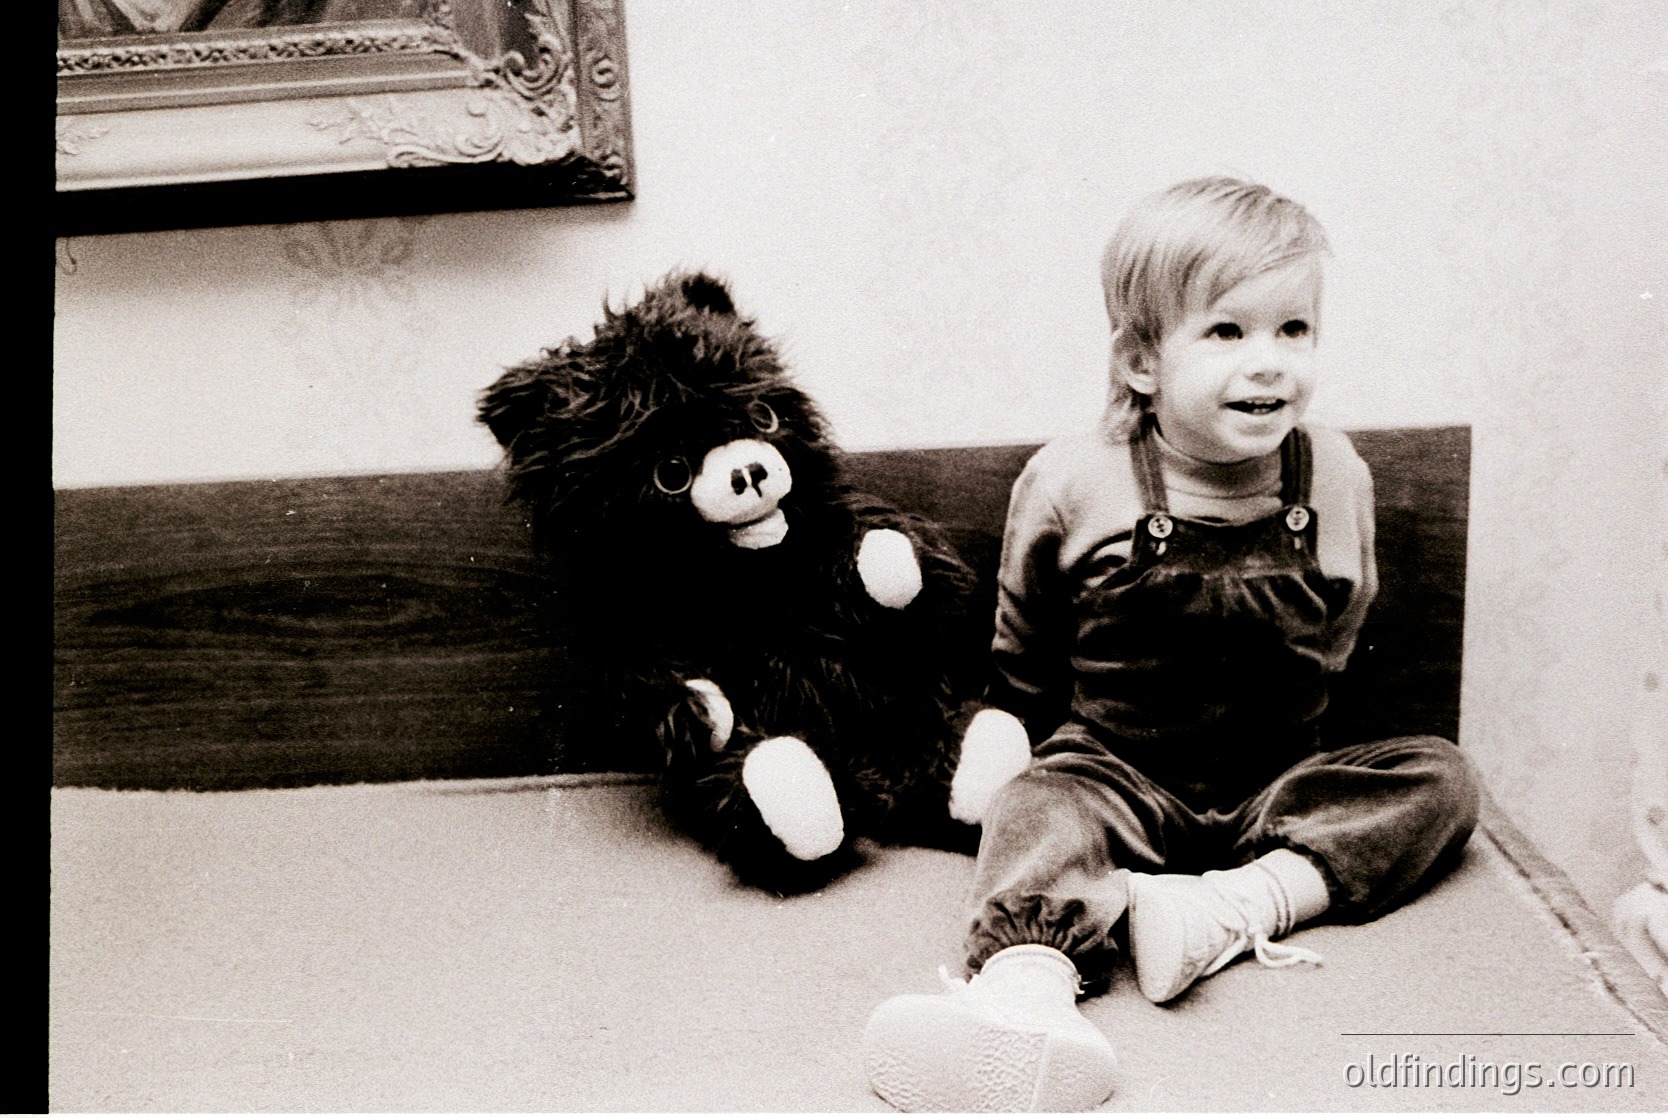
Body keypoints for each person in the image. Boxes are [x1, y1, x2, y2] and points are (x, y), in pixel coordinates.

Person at [861, 176, 1480, 1112]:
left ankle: (1227, 909)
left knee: (1442, 778)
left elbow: (1346, 625)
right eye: (1228, 332)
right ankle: (1024, 997)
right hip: (1119, 772)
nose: (1269, 363)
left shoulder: (1337, 474)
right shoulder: (1076, 477)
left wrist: (1288, 811)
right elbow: (1023, 645)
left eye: (1294, 330)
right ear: (1141, 359)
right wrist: (1028, 759)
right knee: (1034, 797)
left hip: (1275, 784)